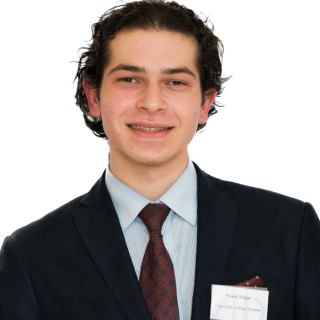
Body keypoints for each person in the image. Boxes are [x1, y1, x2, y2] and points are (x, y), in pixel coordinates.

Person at [0, 1, 319, 319]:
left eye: (175, 82)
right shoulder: (32, 256)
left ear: (205, 102)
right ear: (94, 97)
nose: (152, 103)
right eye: (129, 79)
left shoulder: (291, 230)